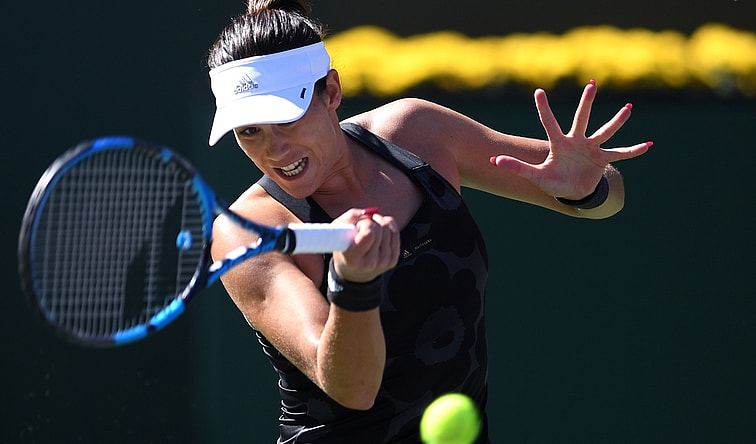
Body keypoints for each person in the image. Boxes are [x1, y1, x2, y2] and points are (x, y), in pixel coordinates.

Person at [206, 1, 651, 442]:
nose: (275, 150)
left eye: (287, 119)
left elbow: (609, 199)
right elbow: (352, 389)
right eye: (250, 131)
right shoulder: (246, 231)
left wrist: (585, 188)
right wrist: (354, 284)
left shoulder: (418, 133)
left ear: (332, 92)